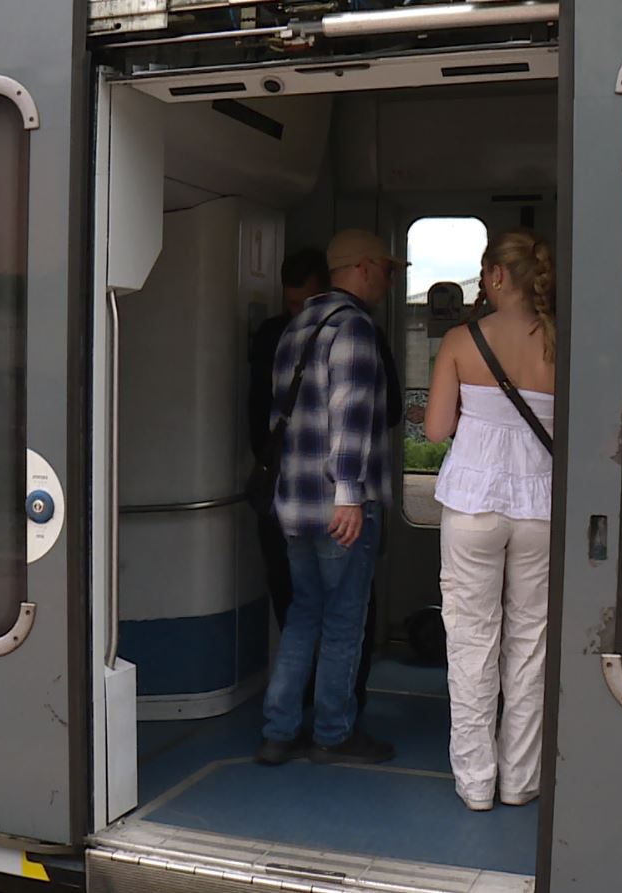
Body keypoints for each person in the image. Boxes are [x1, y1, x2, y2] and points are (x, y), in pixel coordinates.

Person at [255, 228, 402, 767]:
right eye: (387, 269)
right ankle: (334, 733)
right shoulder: (356, 329)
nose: (389, 280)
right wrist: (348, 495)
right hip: (342, 509)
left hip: (293, 505)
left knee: (303, 614)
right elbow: (354, 419)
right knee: (344, 621)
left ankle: (278, 730)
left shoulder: (296, 329)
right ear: (362, 267)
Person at [423, 229, 555, 812]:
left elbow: (432, 430)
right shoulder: (559, 340)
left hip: (473, 503)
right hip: (540, 506)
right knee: (529, 644)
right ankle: (522, 780)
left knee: (472, 642)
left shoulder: (460, 339)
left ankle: (476, 783)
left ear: (497, 276)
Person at [249, 248, 331, 632]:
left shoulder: (272, 336)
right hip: (321, 492)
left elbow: (255, 412)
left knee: (297, 604)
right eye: (293, 303)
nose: (300, 313)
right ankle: (323, 691)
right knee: (338, 610)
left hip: (281, 483)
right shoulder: (351, 330)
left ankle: (294, 691)